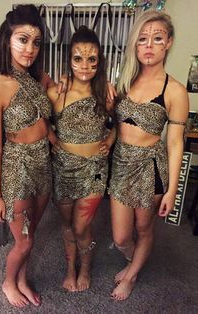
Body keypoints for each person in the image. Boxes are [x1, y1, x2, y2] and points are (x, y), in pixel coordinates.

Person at [108, 10, 189, 301]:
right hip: (120, 164)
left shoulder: (176, 90)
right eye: (143, 39)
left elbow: (176, 143)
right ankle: (134, 260)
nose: (149, 45)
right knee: (120, 237)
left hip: (150, 168)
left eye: (157, 38)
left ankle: (132, 274)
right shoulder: (124, 81)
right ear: (135, 44)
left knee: (144, 228)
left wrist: (172, 189)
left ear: (168, 42)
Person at [0, 5, 54, 308]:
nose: (30, 49)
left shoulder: (43, 79)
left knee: (31, 234)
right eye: (22, 39)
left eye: (36, 42)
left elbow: (53, 115)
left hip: (43, 166)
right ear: (7, 40)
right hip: (17, 170)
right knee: (23, 240)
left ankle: (23, 279)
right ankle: (8, 282)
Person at [47, 26, 116, 292]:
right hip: (63, 169)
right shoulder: (57, 93)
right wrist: (52, 138)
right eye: (78, 58)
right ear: (69, 61)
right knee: (67, 224)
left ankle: (85, 268)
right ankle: (69, 268)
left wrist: (109, 140)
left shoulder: (105, 95)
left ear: (99, 61)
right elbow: (38, 119)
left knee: (81, 225)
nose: (85, 65)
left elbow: (121, 122)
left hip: (94, 172)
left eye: (92, 59)